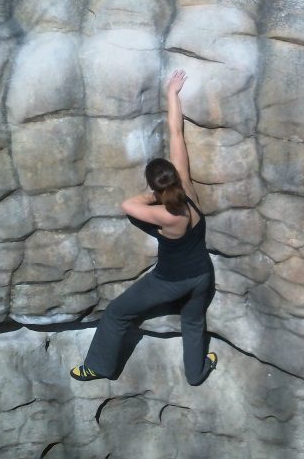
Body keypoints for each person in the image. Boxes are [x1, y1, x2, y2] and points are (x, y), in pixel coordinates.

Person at [70, 69, 218, 385]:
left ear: (156, 188)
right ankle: (197, 373)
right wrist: (172, 95)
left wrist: (152, 195)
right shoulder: (189, 191)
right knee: (193, 325)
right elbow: (176, 135)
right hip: (202, 275)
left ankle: (99, 367)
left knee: (116, 313)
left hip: (170, 281)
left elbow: (128, 206)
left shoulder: (165, 215)